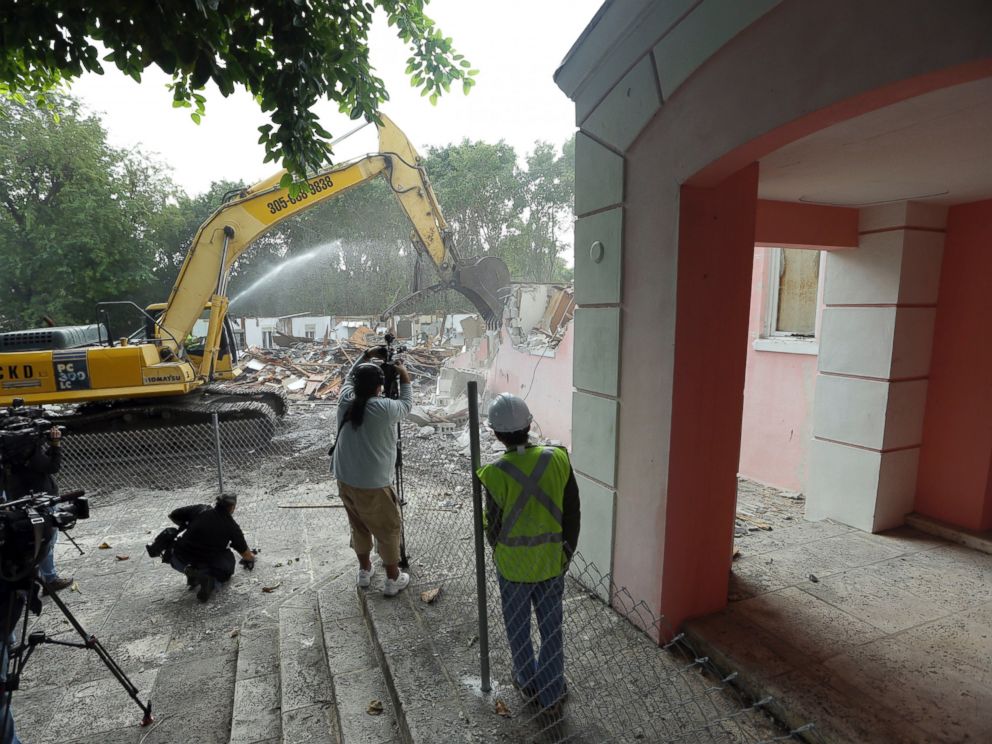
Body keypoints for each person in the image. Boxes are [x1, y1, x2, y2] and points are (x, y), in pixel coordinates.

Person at [477, 393, 580, 725]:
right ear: (529, 424)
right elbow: (573, 512)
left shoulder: (495, 473)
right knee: (551, 629)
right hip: (551, 563)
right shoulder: (558, 459)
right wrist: (566, 552)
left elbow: (491, 524)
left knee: (517, 627)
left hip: (512, 568)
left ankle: (526, 680)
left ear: (495, 434)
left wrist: (500, 548)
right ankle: (551, 694)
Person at [332, 346, 413, 597]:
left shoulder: (346, 399)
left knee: (359, 526)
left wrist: (367, 355)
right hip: (374, 483)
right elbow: (407, 404)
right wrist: (404, 376)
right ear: (380, 387)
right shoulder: (385, 408)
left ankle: (364, 572)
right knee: (388, 530)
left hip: (345, 478)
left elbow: (349, 376)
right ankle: (392, 579)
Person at [0, 426, 73, 593]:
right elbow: (52, 466)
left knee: (30, 540)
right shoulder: (27, 451)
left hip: (19, 500)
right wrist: (55, 444)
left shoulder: (10, 454)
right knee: (46, 539)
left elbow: (40, 464)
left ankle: (35, 577)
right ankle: (50, 579)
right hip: (40, 501)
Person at [168, 493, 256, 602]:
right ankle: (210, 581)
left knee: (181, 552)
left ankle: (192, 573)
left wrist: (190, 525)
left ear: (217, 503)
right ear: (232, 507)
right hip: (204, 562)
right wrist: (252, 557)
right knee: (227, 566)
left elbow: (173, 515)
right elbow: (246, 555)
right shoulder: (231, 526)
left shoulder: (201, 509)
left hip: (178, 558)